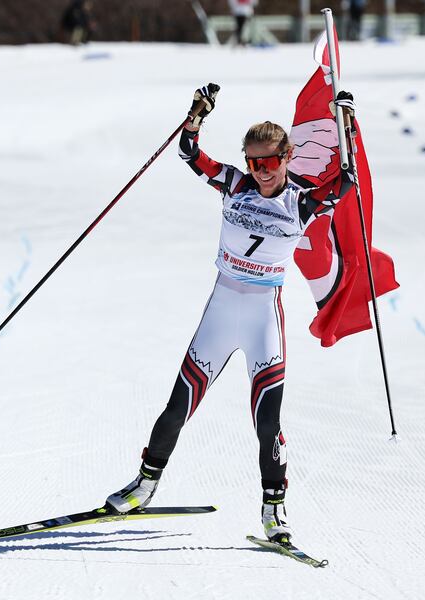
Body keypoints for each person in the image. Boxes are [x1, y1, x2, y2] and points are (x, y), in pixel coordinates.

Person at [104, 84, 357, 543]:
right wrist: (196, 114)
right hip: (222, 309)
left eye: (271, 162)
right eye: (254, 162)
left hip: (263, 317)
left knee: (267, 423)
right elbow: (189, 152)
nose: (261, 172)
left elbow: (346, 182)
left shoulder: (301, 201)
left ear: (287, 157)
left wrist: (346, 124)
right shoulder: (235, 183)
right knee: (177, 406)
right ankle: (145, 484)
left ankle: (273, 512)